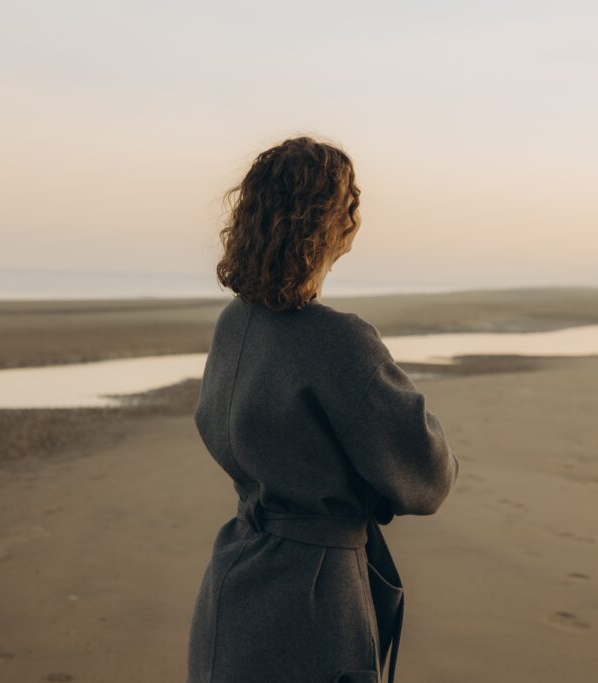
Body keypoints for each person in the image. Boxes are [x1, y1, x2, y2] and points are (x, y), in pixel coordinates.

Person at [186, 135, 459, 683]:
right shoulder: (339, 342)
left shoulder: (234, 324)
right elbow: (428, 476)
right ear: (336, 226)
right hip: (313, 600)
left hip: (233, 583)